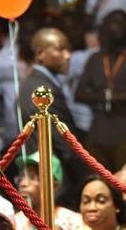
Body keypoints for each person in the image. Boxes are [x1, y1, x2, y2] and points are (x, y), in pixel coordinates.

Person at [20, 27, 86, 209]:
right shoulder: (40, 88)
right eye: (60, 49)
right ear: (40, 54)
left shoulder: (36, 82)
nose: (68, 56)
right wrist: (84, 177)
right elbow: (63, 143)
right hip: (55, 181)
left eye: (69, 50)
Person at [76, 11, 126, 172]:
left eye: (118, 26)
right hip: (98, 132)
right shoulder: (95, 59)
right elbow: (79, 93)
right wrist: (109, 96)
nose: (112, 31)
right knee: (97, 182)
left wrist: (98, 95)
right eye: (108, 26)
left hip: (125, 133)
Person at [15, 152, 85, 230]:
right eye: (21, 178)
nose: (23, 184)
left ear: (54, 186)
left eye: (32, 177)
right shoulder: (15, 222)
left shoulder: (72, 221)